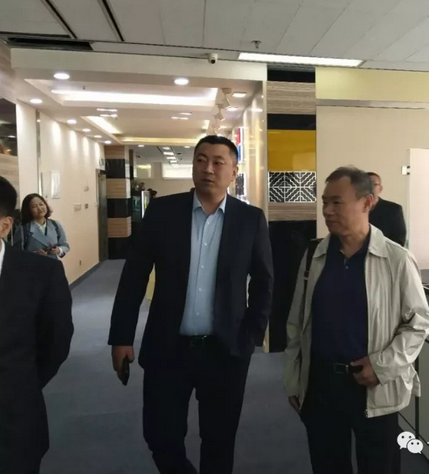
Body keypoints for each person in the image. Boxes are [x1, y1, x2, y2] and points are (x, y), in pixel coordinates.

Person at [108, 135, 273, 474]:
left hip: (225, 350)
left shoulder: (250, 219)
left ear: (234, 172)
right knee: (160, 437)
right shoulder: (163, 212)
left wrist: (250, 336)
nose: (207, 169)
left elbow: (264, 281)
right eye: (200, 160)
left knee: (219, 441)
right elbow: (134, 276)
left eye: (217, 162)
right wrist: (121, 336)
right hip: (168, 347)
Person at [284, 166, 429, 474]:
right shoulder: (315, 256)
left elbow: (418, 323)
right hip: (321, 385)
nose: (327, 211)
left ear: (367, 202)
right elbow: (297, 323)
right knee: (327, 466)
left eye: (337, 202)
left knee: (379, 466)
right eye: (325, 202)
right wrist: (294, 379)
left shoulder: (396, 259)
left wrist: (382, 366)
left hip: (373, 385)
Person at [0, 177, 73, 473]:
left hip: (13, 423)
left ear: (4, 226)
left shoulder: (42, 275)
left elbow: (55, 343)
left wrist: (19, 382)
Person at [14, 193, 70, 260]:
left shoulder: (55, 224)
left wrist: (59, 250)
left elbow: (65, 245)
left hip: (54, 264)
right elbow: (17, 253)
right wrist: (35, 254)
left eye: (41, 204)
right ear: (28, 210)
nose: (39, 208)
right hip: (33, 265)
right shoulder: (23, 229)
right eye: (34, 206)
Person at [367, 172, 407, 247]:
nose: (369, 187)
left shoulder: (393, 210)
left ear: (380, 189)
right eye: (366, 184)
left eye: (373, 184)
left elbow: (399, 241)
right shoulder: (353, 209)